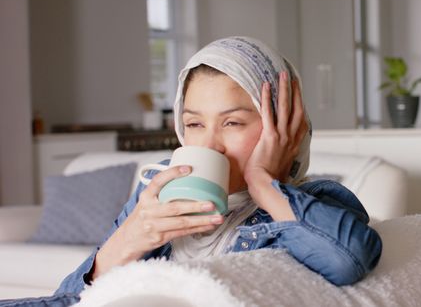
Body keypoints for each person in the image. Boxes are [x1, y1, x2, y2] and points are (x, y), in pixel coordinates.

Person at [0, 37, 382, 307]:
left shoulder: (315, 202)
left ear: (285, 125)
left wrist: (264, 183)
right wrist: (129, 238)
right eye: (194, 124)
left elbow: (347, 260)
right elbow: (70, 299)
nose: (209, 145)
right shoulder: (157, 193)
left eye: (232, 123)